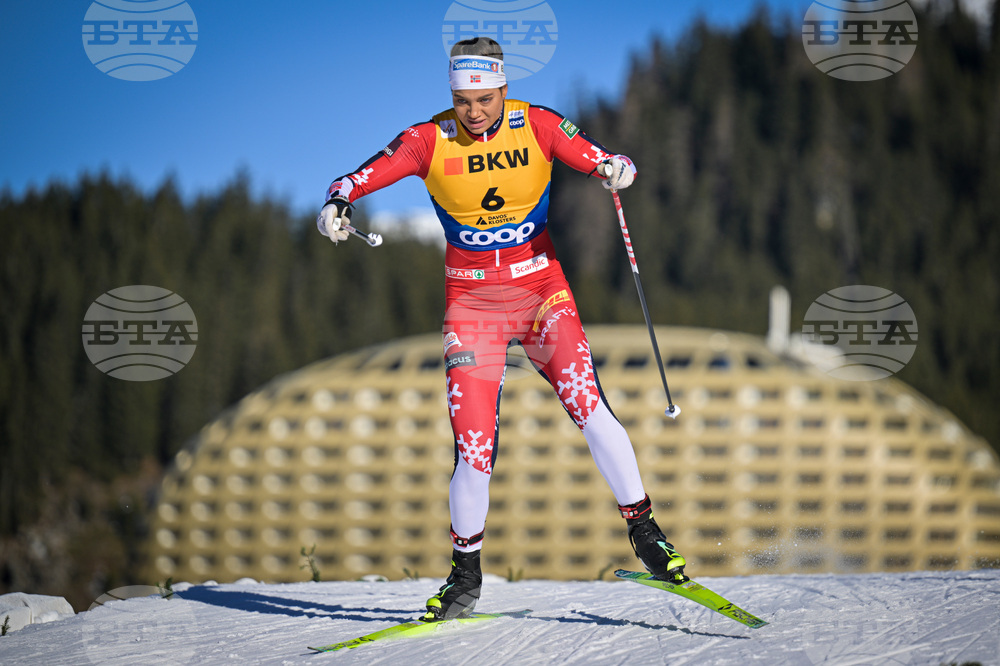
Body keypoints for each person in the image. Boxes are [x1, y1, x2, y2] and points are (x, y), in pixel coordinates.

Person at [318, 37, 687, 621]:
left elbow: (606, 158)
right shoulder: (427, 139)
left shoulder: (535, 124)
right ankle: (464, 577)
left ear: (503, 89)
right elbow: (356, 178)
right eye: (463, 100)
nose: (474, 112)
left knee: (589, 407)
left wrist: (616, 170)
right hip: (473, 309)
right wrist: (337, 204)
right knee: (473, 451)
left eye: (485, 98)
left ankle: (646, 534)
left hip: (541, 293)